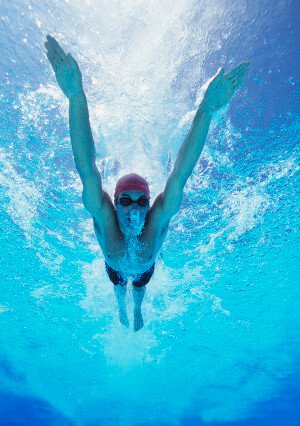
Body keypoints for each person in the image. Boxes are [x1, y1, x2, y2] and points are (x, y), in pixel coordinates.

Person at [45, 34, 249, 331]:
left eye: (141, 201)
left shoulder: (158, 219)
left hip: (145, 270)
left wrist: (206, 111)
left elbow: (180, 174)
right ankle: (120, 308)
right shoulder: (104, 218)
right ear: (113, 205)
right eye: (125, 201)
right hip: (114, 267)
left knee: (139, 288)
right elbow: (87, 171)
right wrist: (76, 96)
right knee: (118, 286)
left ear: (151, 203)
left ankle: (137, 309)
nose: (134, 209)